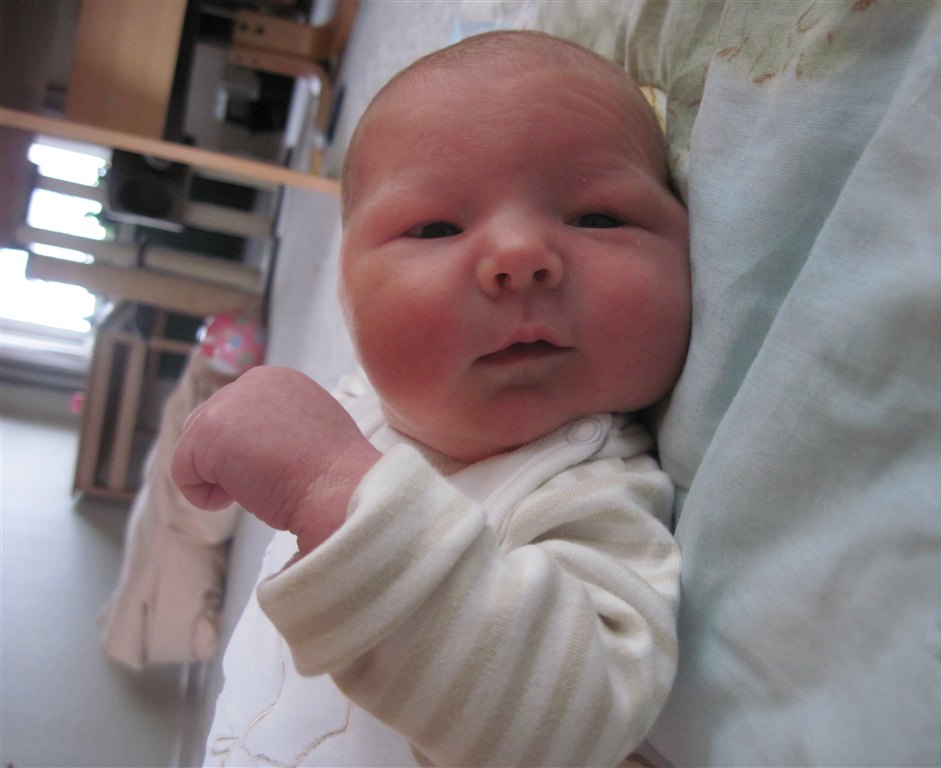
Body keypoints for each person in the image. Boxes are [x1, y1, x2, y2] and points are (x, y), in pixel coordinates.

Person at [172, 29, 691, 767]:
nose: (519, 254)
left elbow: (578, 716)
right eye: (437, 228)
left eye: (597, 218)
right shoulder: (354, 414)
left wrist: (328, 489)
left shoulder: (592, 490)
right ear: (345, 294)